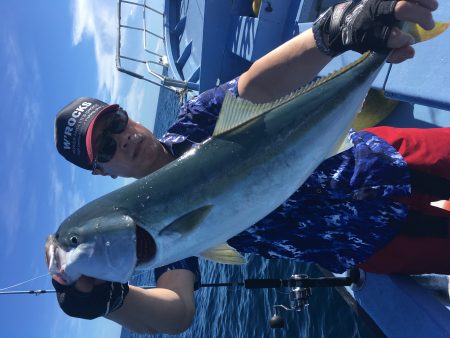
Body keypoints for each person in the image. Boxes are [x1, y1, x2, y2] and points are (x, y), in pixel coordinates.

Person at [50, 0, 447, 334]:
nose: (120, 139)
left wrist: (332, 33)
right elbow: (177, 310)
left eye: (116, 123)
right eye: (104, 148)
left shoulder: (195, 121)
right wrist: (106, 301)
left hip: (391, 160)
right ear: (103, 172)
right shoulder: (163, 245)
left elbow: (257, 85)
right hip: (372, 243)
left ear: (129, 117)